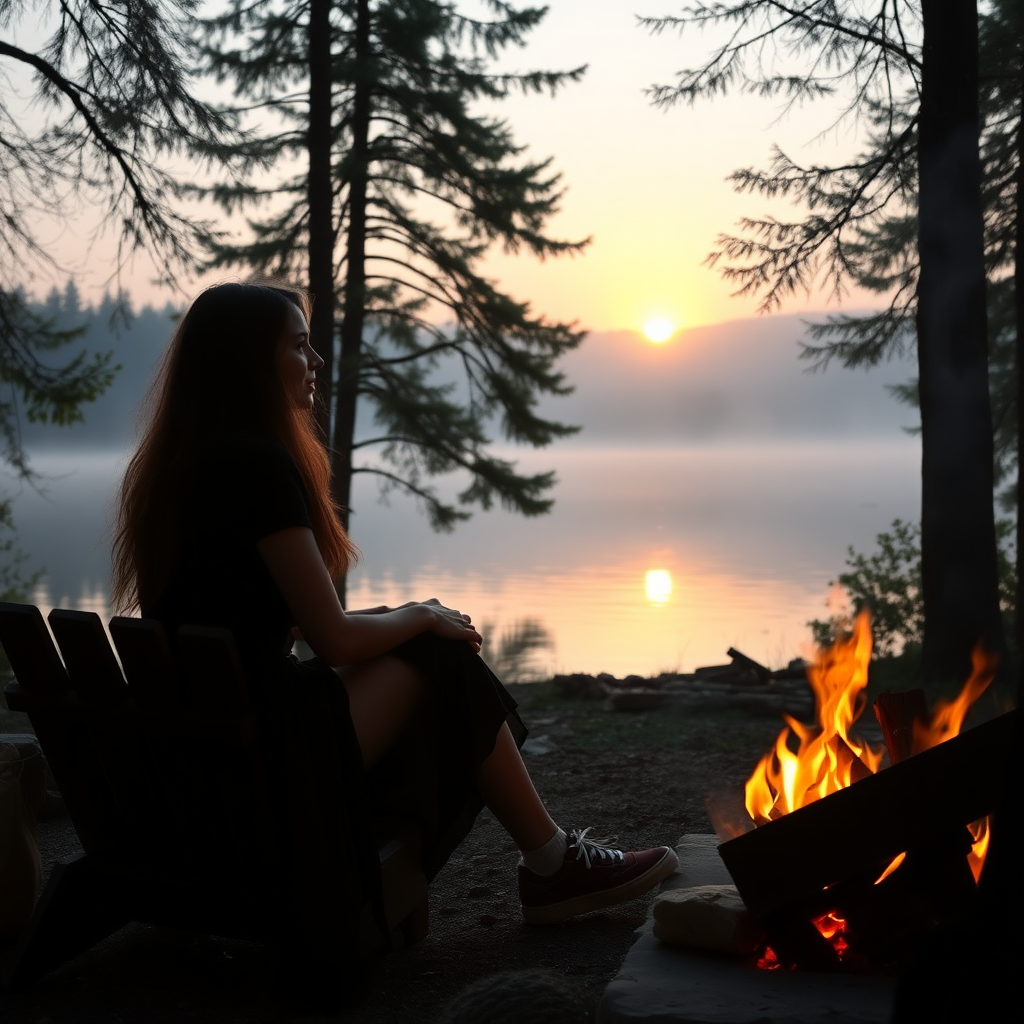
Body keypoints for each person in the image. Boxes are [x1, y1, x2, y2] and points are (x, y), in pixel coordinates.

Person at [110, 281, 678, 937]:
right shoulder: (258, 466)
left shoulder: (175, 468)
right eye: (298, 346)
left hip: (209, 748)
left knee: (419, 642)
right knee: (438, 652)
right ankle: (551, 863)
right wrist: (422, 616)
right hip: (267, 755)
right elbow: (337, 641)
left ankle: (544, 861)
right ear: (249, 363)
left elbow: (266, 616)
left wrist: (402, 614)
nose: (317, 361)